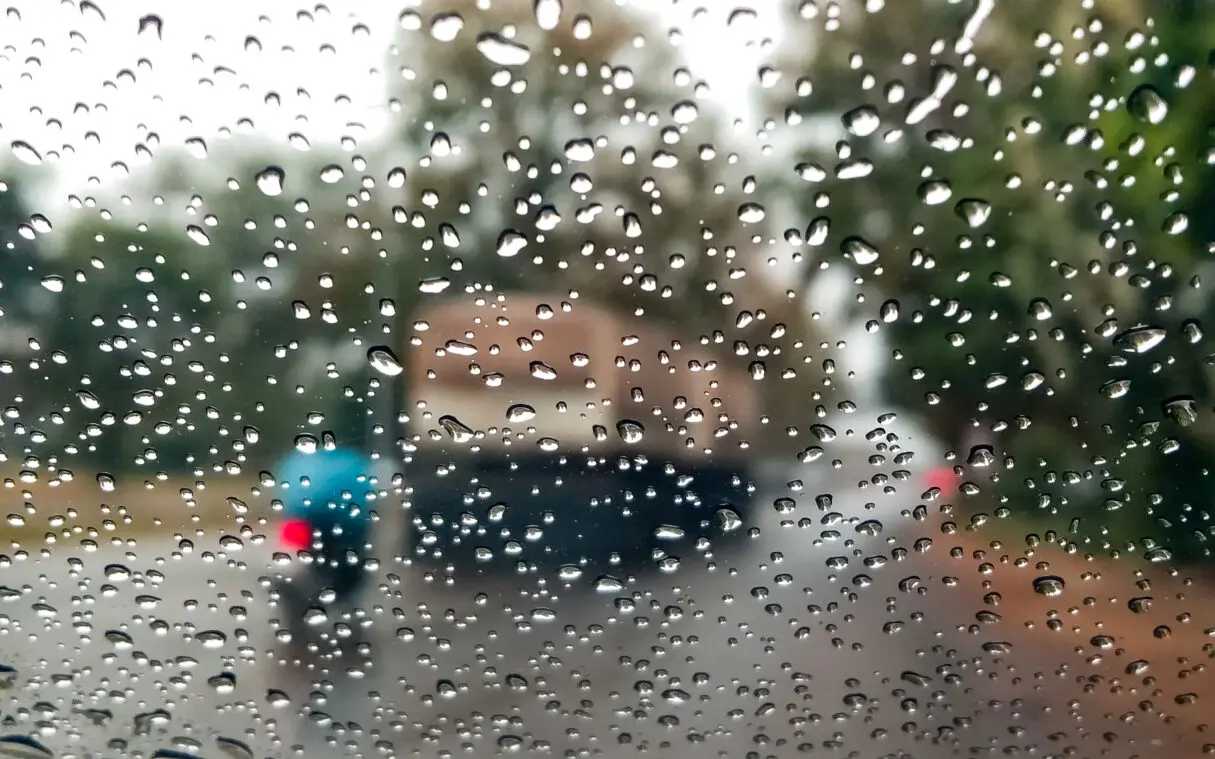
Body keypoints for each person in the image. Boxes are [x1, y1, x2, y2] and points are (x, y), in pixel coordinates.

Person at [272, 446, 377, 606]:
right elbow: (368, 498)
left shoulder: (298, 461)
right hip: (349, 524)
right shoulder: (354, 461)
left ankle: (291, 576)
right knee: (352, 557)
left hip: (304, 520)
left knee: (292, 547)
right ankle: (345, 595)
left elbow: (285, 497)